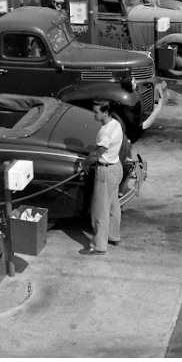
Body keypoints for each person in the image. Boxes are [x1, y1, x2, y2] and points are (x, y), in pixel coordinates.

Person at [82, 99, 124, 255]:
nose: (94, 114)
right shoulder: (116, 124)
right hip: (116, 168)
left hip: (105, 172)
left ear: (105, 112)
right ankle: (113, 236)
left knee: (100, 210)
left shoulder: (104, 132)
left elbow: (96, 154)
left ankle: (99, 245)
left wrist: (83, 164)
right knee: (113, 206)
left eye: (96, 112)